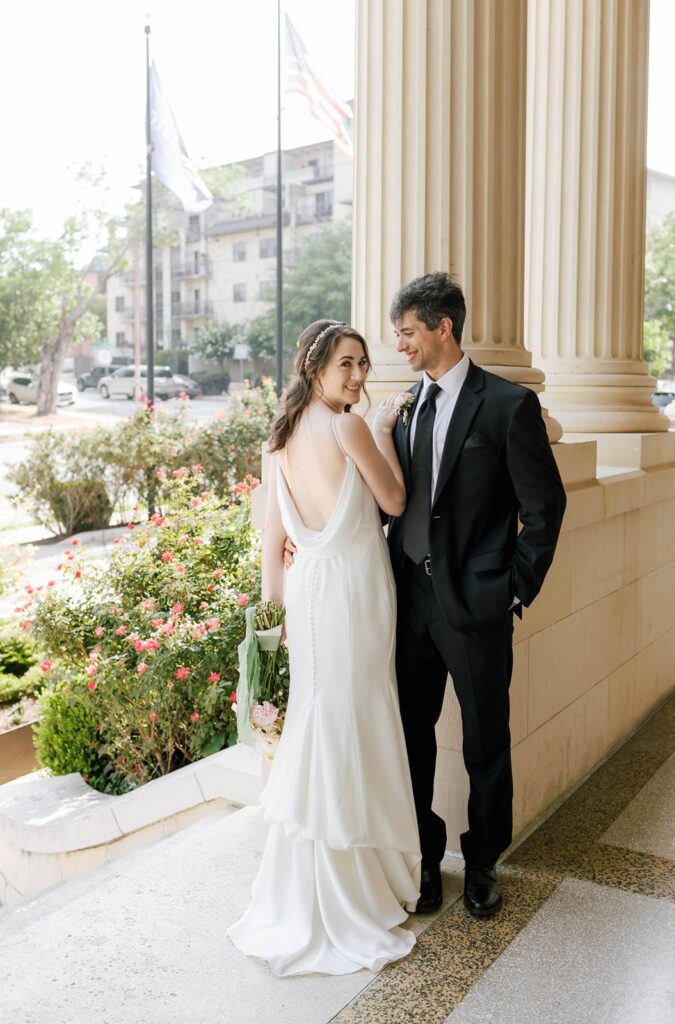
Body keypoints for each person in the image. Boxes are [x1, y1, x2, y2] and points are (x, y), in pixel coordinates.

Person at [227, 320, 422, 977]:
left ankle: (314, 876)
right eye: (347, 365)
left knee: (322, 715)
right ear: (313, 366)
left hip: (309, 594)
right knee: (354, 718)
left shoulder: (278, 440)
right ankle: (354, 881)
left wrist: (277, 619)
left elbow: (272, 539)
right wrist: (387, 434)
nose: (359, 378)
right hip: (354, 591)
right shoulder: (348, 428)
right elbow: (393, 500)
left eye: (363, 365)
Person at [385, 272, 566, 918]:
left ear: (442, 327)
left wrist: (512, 588)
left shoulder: (505, 405)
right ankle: (427, 859)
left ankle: (483, 860)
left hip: (477, 602)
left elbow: (543, 507)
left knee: (485, 738)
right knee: (410, 734)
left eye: (407, 332)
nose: (400, 345)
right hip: (409, 603)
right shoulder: (405, 403)